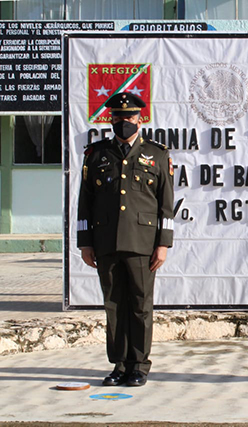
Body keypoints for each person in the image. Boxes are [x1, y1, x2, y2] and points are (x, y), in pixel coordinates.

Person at [77, 92, 174, 387]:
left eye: (129, 117)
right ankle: (119, 365)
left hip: (143, 243)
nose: (123, 122)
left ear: (140, 119)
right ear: (110, 119)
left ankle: (139, 366)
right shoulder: (96, 155)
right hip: (106, 241)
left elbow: (165, 204)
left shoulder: (157, 154)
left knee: (140, 305)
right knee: (114, 304)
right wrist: (85, 242)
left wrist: (163, 243)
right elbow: (85, 202)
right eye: (118, 117)